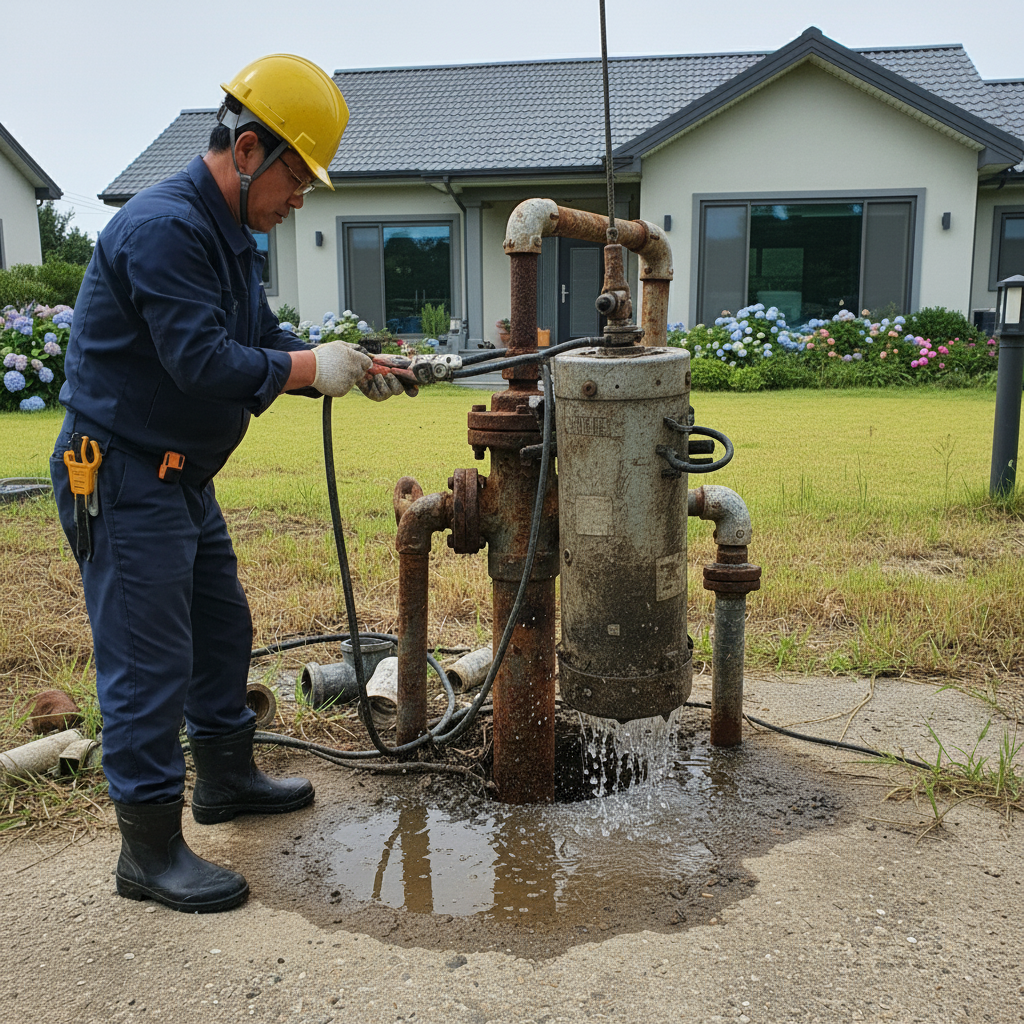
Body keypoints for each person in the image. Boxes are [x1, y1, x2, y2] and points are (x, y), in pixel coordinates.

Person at [50, 54, 410, 914]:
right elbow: (201, 360)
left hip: (178, 477)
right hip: (122, 474)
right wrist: (302, 368)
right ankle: (148, 853)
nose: (301, 200)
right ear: (248, 150)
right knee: (148, 661)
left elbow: (254, 331)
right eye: (298, 178)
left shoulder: (227, 237)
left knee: (221, 626)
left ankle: (224, 780)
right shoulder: (163, 228)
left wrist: (345, 362)